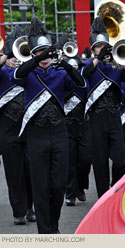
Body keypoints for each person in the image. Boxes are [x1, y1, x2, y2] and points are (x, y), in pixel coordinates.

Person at [12, 16, 85, 234]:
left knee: (58, 185)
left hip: (59, 133)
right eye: (39, 53)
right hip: (36, 135)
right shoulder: (28, 73)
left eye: (46, 52)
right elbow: (17, 75)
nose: (44, 57)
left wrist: (62, 62)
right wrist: (36, 59)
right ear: (33, 54)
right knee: (41, 186)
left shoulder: (59, 73)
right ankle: (46, 232)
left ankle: (54, 224)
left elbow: (81, 86)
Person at [81, 17, 125, 198]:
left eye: (105, 46)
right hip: (96, 119)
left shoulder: (116, 66)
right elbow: (84, 76)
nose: (103, 50)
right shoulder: (87, 65)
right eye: (99, 47)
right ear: (93, 50)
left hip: (114, 117)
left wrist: (121, 65)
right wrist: (98, 59)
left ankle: (114, 189)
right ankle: (103, 197)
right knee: (99, 163)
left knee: (121, 160)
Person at [0, 25, 36, 226]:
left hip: (29, 129)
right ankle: (19, 211)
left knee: (32, 171)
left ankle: (31, 207)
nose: (16, 57)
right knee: (14, 173)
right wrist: (5, 56)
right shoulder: (3, 72)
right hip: (7, 130)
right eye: (13, 53)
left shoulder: (29, 71)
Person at [63, 54, 92, 206]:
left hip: (83, 125)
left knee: (85, 161)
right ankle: (70, 192)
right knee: (70, 161)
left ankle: (80, 186)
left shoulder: (83, 80)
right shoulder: (62, 81)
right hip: (67, 126)